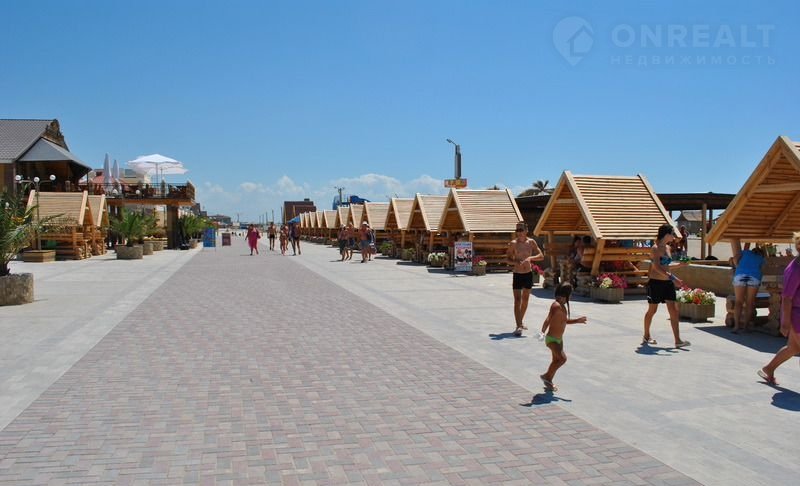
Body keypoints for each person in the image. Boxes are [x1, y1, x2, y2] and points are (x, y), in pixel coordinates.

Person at [758, 232, 800, 386]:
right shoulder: (795, 269)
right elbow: (787, 297)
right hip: (797, 314)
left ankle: (768, 369)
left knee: (793, 348)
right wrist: (785, 322)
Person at [642, 224, 691, 348]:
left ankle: (678, 341)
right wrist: (674, 278)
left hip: (667, 283)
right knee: (652, 310)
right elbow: (656, 267)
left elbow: (666, 266)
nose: (674, 236)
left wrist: (680, 265)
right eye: (672, 234)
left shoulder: (668, 248)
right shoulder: (655, 248)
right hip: (656, 283)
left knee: (674, 311)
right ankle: (646, 335)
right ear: (666, 234)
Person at [539, 283, 587, 391]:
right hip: (551, 339)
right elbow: (548, 319)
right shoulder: (556, 305)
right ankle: (546, 376)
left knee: (556, 361)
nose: (571, 296)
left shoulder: (563, 306)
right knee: (562, 359)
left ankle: (549, 381)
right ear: (566, 295)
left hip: (559, 340)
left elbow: (564, 321)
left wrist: (577, 320)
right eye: (570, 294)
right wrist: (542, 332)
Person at [506, 222, 544, 336]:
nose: (519, 232)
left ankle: (520, 322)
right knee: (517, 300)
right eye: (517, 230)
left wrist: (530, 258)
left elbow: (541, 256)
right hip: (517, 274)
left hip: (528, 273)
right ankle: (518, 326)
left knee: (525, 300)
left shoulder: (531, 242)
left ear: (526, 230)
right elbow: (508, 259)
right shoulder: (513, 244)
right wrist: (515, 262)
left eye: (521, 230)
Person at [730, 239, 766, 333]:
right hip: (754, 277)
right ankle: (746, 327)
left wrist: (738, 266)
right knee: (750, 302)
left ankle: (736, 326)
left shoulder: (745, 252)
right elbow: (762, 269)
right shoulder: (761, 258)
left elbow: (734, 259)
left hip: (740, 275)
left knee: (739, 301)